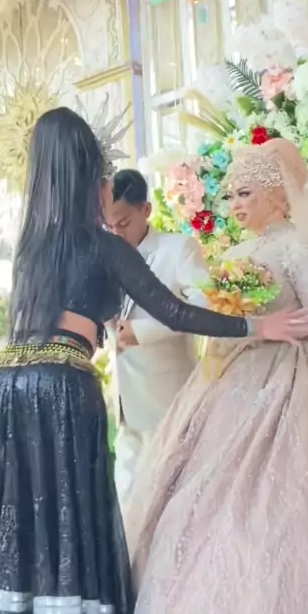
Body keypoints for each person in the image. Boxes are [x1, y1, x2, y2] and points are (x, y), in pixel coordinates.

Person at [0, 109, 308, 614]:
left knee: (33, 501)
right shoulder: (106, 247)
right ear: (94, 180)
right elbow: (175, 312)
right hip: (63, 382)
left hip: (8, 385)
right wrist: (257, 325)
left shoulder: (32, 247)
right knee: (72, 503)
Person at [124, 138, 308, 614]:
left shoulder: (296, 247)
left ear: (277, 195)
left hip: (293, 371)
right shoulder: (234, 254)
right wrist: (243, 320)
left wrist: (272, 323)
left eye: (246, 193)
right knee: (199, 488)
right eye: (231, 195)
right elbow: (210, 312)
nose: (235, 204)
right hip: (234, 372)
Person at [105, 169, 208, 507]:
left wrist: (143, 332)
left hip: (169, 401)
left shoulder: (179, 249)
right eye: (108, 226)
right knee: (126, 503)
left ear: (146, 210)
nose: (115, 234)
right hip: (124, 402)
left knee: (173, 503)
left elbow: (204, 307)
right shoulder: (104, 258)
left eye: (123, 223)